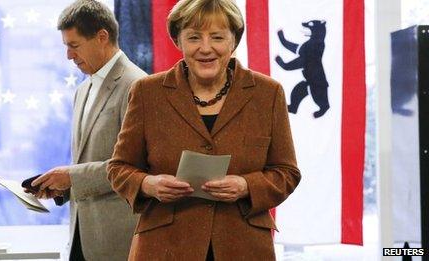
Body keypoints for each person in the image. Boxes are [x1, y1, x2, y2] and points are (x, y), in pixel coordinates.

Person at [106, 0, 301, 260]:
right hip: (164, 247)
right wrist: (148, 184)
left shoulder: (268, 93)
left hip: (243, 247)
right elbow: (118, 168)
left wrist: (246, 185)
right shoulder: (146, 92)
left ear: (233, 41)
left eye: (217, 37)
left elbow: (286, 173)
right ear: (179, 41)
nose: (206, 48)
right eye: (194, 37)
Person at [29, 0, 147, 260]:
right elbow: (87, 163)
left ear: (102, 37)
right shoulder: (82, 90)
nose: (68, 56)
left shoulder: (138, 86)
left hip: (118, 243)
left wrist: (72, 177)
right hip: (82, 237)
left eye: (74, 45)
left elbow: (137, 166)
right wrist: (62, 187)